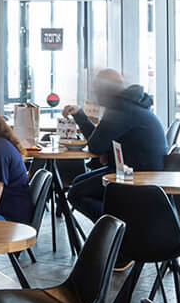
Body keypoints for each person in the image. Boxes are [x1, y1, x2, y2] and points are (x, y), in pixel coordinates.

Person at [64, 70, 167, 220]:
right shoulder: (129, 105)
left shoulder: (120, 110)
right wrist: (80, 114)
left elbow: (96, 146)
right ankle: (116, 223)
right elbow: (100, 142)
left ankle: (116, 228)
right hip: (140, 171)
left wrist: (104, 149)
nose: (94, 94)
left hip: (137, 177)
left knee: (77, 193)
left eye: (96, 90)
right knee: (78, 183)